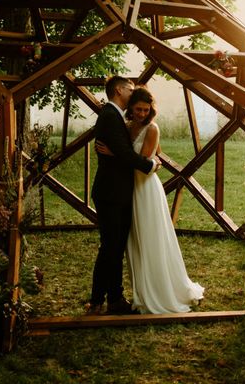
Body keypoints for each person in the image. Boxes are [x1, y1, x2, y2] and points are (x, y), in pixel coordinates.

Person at [98, 86, 204, 314]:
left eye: (146, 110)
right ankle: (139, 290)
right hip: (129, 189)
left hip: (145, 188)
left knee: (150, 237)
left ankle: (160, 289)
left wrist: (115, 153)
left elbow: (142, 161)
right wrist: (118, 152)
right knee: (134, 241)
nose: (142, 114)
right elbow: (129, 154)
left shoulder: (152, 128)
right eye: (138, 109)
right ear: (131, 108)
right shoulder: (126, 127)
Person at [87, 76, 159, 315]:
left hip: (117, 191)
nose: (133, 91)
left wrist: (117, 153)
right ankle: (99, 300)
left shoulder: (116, 115)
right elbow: (127, 155)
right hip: (111, 192)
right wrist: (151, 166)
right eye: (130, 88)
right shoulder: (110, 115)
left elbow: (121, 151)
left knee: (115, 247)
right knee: (110, 248)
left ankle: (114, 298)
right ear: (119, 90)